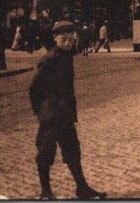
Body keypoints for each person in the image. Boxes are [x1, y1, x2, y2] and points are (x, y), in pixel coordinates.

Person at [29, 21, 106, 200]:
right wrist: (41, 112)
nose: (68, 43)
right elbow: (34, 88)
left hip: (65, 115)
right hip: (51, 116)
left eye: (71, 39)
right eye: (64, 39)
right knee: (45, 153)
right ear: (55, 38)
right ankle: (46, 192)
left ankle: (82, 188)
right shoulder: (49, 59)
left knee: (72, 151)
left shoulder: (66, 56)